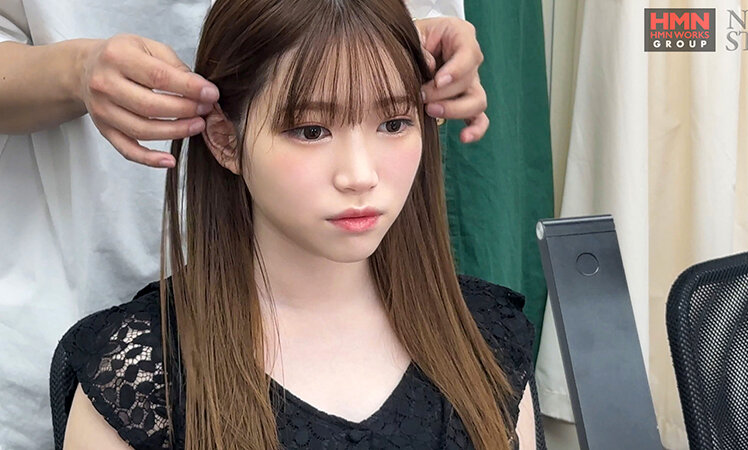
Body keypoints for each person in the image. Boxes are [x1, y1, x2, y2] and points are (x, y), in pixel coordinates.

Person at [51, 0, 545, 448]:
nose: (360, 175)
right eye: (311, 131)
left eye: (394, 124)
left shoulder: (487, 337)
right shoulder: (138, 375)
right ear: (225, 140)